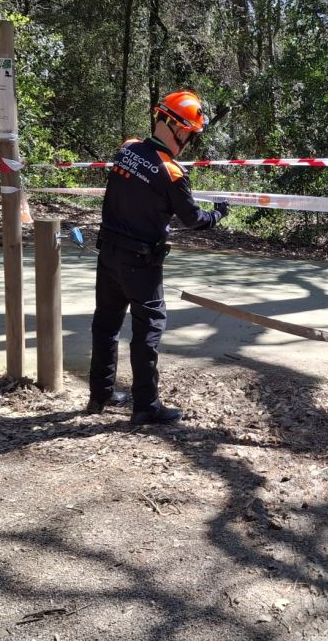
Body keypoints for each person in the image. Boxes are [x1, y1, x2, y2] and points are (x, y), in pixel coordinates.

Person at [88, 90, 230, 425]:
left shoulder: (127, 150)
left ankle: (100, 395)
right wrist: (219, 213)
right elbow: (194, 219)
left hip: (108, 255)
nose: (190, 143)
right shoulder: (172, 173)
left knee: (105, 325)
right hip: (141, 264)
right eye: (191, 136)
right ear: (178, 129)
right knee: (147, 331)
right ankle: (146, 406)